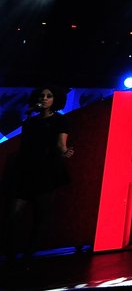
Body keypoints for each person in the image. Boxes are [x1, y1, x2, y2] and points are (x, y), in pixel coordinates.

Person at [2, 86, 74, 268]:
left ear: (55, 99)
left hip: (46, 170)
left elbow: (60, 144)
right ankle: (12, 256)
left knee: (39, 216)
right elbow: (24, 147)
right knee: (12, 215)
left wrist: (65, 152)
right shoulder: (30, 121)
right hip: (27, 171)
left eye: (49, 96)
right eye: (42, 95)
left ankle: (27, 257)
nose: (44, 98)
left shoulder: (60, 119)